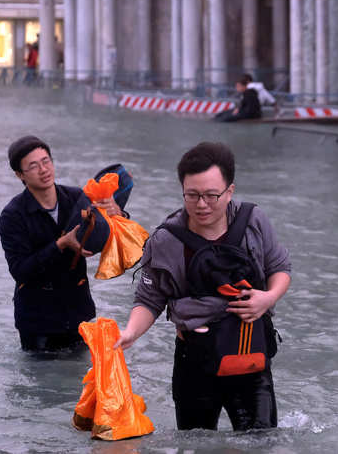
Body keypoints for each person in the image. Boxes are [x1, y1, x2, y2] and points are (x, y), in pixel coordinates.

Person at [114, 142, 291, 431]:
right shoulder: (165, 240)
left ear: (230, 191)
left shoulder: (253, 221)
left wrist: (268, 297)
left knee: (261, 444)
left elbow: (280, 268)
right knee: (195, 444)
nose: (202, 205)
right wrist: (131, 332)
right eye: (192, 195)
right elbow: (149, 298)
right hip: (194, 362)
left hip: (250, 361)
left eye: (211, 195)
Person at [0, 136, 125, 352]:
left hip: (79, 313)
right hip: (38, 321)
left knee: (79, 381)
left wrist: (117, 214)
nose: (43, 170)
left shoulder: (77, 198)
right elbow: (20, 271)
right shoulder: (13, 216)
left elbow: (106, 238)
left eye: (46, 161)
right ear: (20, 175)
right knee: (40, 383)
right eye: (33, 166)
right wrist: (61, 244)